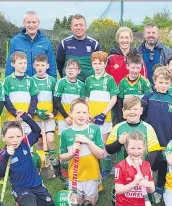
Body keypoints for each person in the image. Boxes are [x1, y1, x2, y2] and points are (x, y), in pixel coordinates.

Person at [0, 112, 59, 206]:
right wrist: (6, 156)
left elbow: (37, 131)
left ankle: (38, 201)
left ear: (22, 136)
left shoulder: (25, 143)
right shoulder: (2, 154)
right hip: (21, 188)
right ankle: (21, 203)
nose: (15, 140)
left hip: (37, 185)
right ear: (3, 138)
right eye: (11, 137)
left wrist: (25, 117)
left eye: (18, 136)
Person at [106, 96, 162, 205]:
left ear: (141, 110)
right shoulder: (118, 127)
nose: (132, 112)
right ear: (123, 111)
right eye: (128, 109)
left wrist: (144, 169)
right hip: (123, 171)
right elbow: (109, 149)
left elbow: (154, 151)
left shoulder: (147, 128)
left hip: (142, 171)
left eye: (135, 109)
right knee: (122, 201)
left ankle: (146, 195)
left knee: (142, 201)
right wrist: (119, 142)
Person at [113, 131, 165, 206]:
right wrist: (134, 183)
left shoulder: (146, 165)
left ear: (144, 148)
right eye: (132, 148)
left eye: (139, 148)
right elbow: (118, 190)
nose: (136, 152)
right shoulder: (120, 166)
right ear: (126, 147)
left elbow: (152, 189)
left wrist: (148, 184)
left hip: (144, 204)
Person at [59, 98, 105, 206]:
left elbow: (101, 155)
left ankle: (96, 187)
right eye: (78, 112)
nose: (81, 115)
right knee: (77, 202)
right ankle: (74, 189)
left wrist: (88, 142)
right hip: (75, 175)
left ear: (89, 114)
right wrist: (71, 153)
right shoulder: (66, 133)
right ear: (70, 113)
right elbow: (62, 156)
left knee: (90, 203)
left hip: (91, 173)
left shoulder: (94, 130)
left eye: (84, 112)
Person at [141, 66, 172, 201]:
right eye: (160, 82)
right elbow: (140, 117)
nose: (163, 85)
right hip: (150, 141)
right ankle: (145, 189)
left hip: (166, 139)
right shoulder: (147, 98)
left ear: (171, 83)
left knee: (163, 166)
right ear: (154, 81)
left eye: (166, 83)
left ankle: (159, 189)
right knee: (148, 165)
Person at [85, 51, 118, 179]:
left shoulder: (109, 79)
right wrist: (88, 113)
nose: (97, 66)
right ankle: (94, 166)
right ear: (92, 64)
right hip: (91, 117)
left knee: (104, 142)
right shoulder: (89, 80)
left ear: (105, 64)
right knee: (92, 141)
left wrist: (103, 114)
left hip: (105, 117)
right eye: (95, 63)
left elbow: (113, 98)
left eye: (100, 63)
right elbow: (87, 98)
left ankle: (105, 168)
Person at [5, 11, 57, 78]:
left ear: (38, 23)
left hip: (40, 83)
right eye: (28, 22)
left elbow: (51, 64)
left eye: (34, 22)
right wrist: (8, 82)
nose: (31, 25)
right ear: (24, 23)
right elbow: (10, 64)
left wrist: (53, 82)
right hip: (21, 83)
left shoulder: (46, 42)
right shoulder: (15, 41)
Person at [57, 14, 101, 82]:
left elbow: (100, 65)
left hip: (89, 85)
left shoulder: (94, 44)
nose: (78, 27)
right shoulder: (64, 44)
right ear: (71, 27)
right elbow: (60, 65)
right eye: (76, 25)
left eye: (81, 25)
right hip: (69, 86)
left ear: (86, 26)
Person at [4, 51, 39, 136]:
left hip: (27, 117)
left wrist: (29, 114)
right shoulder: (8, 80)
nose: (23, 65)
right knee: (13, 141)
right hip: (13, 117)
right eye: (20, 63)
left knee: (27, 143)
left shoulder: (30, 80)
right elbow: (5, 99)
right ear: (13, 64)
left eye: (25, 63)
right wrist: (16, 113)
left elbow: (34, 98)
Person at [31, 53, 58, 165]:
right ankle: (42, 162)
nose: (40, 67)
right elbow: (29, 100)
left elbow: (56, 99)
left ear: (47, 66)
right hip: (36, 116)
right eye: (37, 65)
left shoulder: (52, 81)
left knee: (50, 139)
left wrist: (53, 113)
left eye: (42, 65)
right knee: (40, 141)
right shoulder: (31, 81)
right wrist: (36, 111)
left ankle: (52, 159)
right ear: (33, 66)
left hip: (49, 117)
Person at [116, 52, 152, 123]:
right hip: (126, 119)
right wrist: (121, 119)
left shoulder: (145, 82)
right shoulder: (122, 82)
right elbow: (119, 103)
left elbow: (149, 101)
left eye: (138, 68)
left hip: (140, 118)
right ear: (127, 66)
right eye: (133, 68)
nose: (135, 71)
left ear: (141, 67)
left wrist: (144, 118)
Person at [54, 59, 86, 135]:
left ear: (79, 71)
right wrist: (66, 117)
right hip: (63, 117)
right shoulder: (61, 82)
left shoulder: (81, 85)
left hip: (77, 117)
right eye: (68, 68)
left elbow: (82, 103)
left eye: (74, 68)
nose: (70, 70)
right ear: (65, 70)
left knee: (77, 140)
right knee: (64, 141)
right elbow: (57, 101)